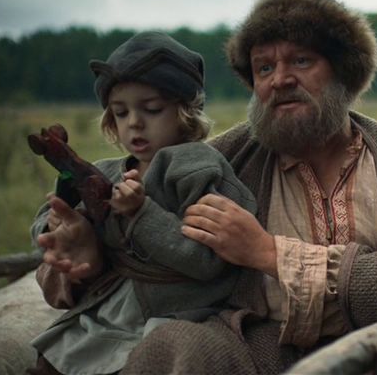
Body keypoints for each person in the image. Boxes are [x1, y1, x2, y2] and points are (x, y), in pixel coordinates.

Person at [120, 0, 377, 374]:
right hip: (261, 349)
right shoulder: (228, 157)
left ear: (343, 69)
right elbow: (149, 205)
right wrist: (84, 240)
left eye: (301, 60)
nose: (280, 79)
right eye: (264, 68)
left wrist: (266, 252)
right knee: (170, 346)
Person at [28, 31, 256, 375]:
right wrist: (59, 226)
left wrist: (142, 213)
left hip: (176, 312)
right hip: (114, 308)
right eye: (120, 113)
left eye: (152, 109)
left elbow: (208, 261)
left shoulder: (199, 169)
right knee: (52, 360)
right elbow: (47, 220)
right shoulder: (106, 171)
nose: (134, 122)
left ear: (185, 111)